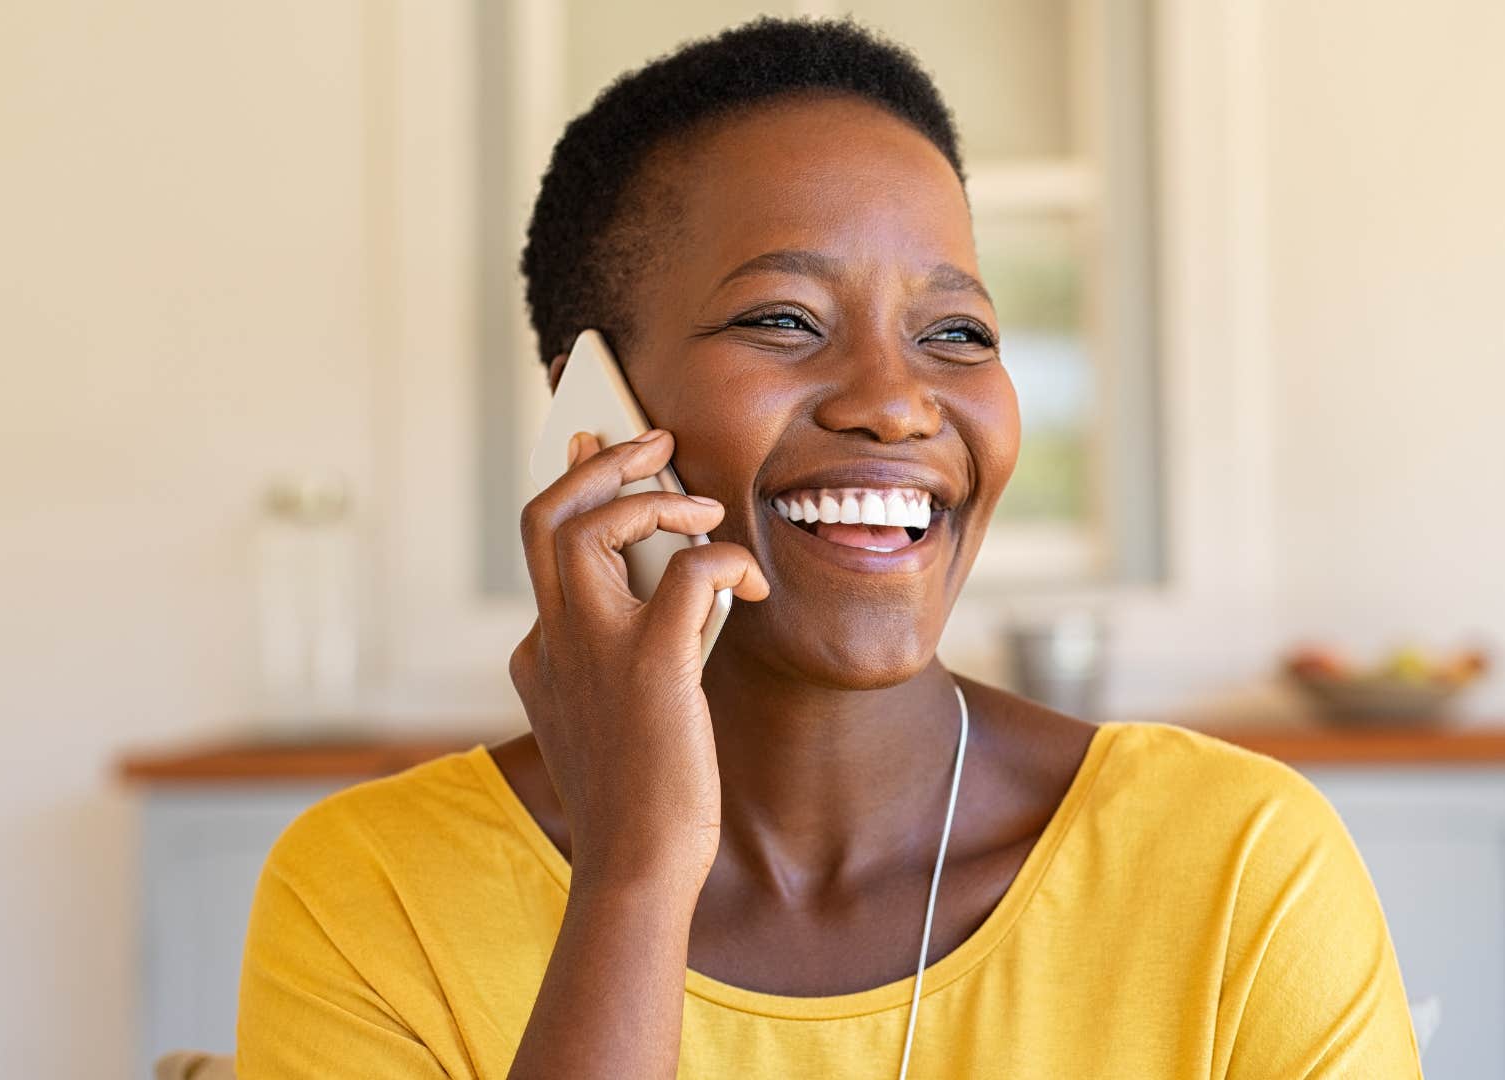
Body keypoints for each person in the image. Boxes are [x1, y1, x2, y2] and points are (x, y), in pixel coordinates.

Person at [236, 18, 1421, 1078]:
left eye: (956, 332)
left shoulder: (1237, 864)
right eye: (783, 320)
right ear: (593, 419)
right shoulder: (369, 894)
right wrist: (636, 878)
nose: (897, 403)